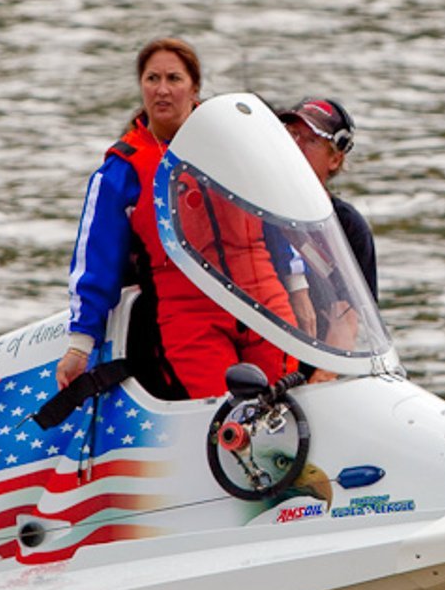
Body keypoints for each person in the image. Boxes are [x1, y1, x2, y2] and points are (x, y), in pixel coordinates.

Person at [58, 37, 297, 398]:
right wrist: (80, 345)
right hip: (189, 311)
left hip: (263, 299)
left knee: (286, 404)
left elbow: (283, 222)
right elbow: (96, 261)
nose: (163, 90)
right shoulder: (122, 169)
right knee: (222, 415)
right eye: (152, 79)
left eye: (174, 78)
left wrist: (302, 296)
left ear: (194, 87)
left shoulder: (236, 142)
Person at [277, 97, 377, 368]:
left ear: (335, 159)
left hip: (310, 369)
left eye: (310, 141)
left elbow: (348, 316)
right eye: (292, 134)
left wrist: (321, 377)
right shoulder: (248, 207)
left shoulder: (348, 227)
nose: (296, 146)